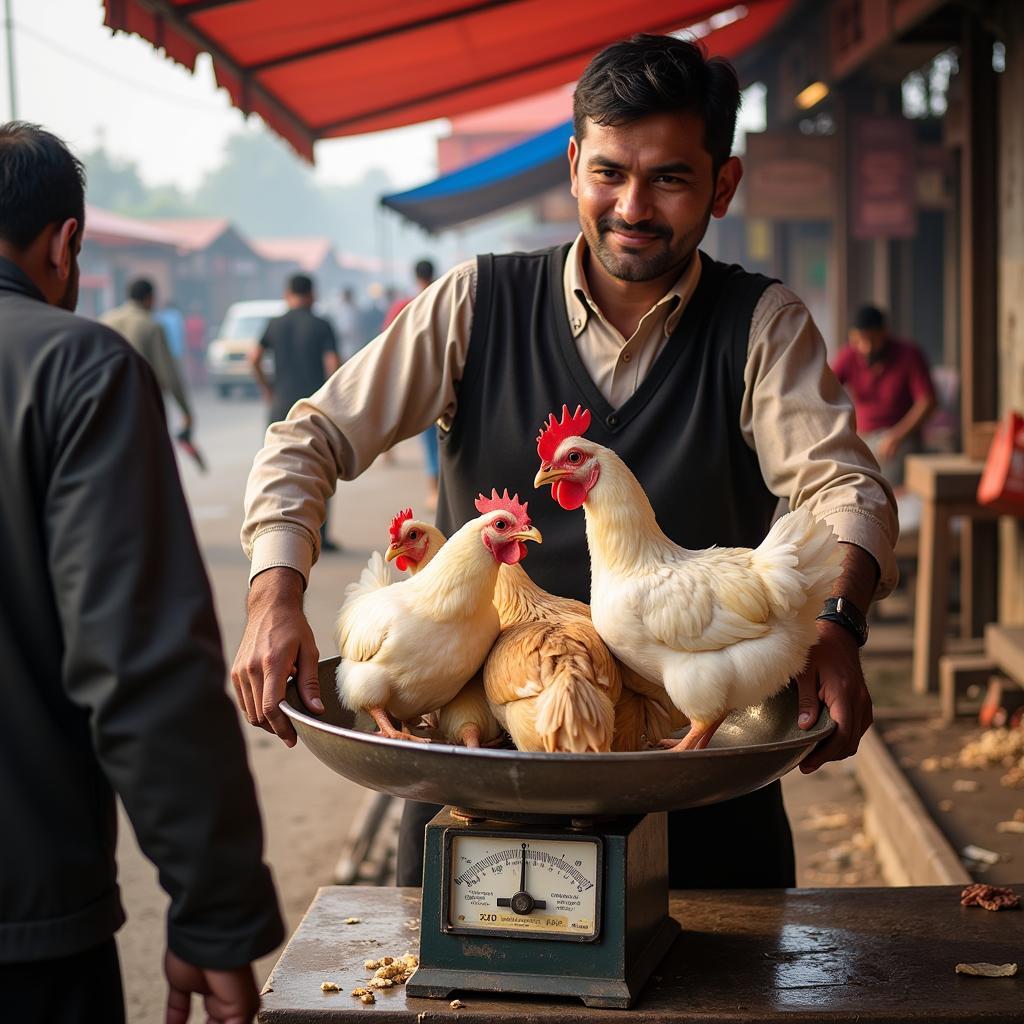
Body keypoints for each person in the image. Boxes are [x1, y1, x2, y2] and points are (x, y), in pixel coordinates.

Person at [233, 35, 898, 892]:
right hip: (478, 783)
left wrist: (837, 622)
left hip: (695, 794)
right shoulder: (475, 303)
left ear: (722, 186)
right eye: (611, 172)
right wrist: (272, 593)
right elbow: (309, 436)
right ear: (574, 165)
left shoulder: (761, 326)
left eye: (670, 177)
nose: (633, 206)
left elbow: (844, 485)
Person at [0, 122, 283, 1023]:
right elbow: (137, 672)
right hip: (25, 935)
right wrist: (216, 917)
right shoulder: (75, 370)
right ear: (67, 243)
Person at [250, 272, 341, 550]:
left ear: (287, 294)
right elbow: (333, 363)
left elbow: (253, 358)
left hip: (280, 407)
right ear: (312, 294)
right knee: (320, 469)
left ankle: (277, 536)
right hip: (313, 408)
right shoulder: (322, 324)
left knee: (278, 470)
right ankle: (319, 536)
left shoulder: (274, 324)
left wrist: (268, 389)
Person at [833, 304, 936, 487]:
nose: (866, 348)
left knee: (883, 486)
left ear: (884, 333)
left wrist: (897, 435)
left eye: (871, 340)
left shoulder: (909, 354)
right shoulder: (848, 355)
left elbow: (927, 402)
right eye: (859, 341)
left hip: (901, 438)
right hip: (862, 438)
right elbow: (826, 391)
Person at [101, 277, 193, 438]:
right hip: (142, 405)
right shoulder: (151, 326)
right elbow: (169, 374)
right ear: (149, 298)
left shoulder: (105, 321)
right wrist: (186, 412)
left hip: (107, 405)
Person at [383, 258, 441, 508]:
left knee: (430, 441)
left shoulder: (405, 306)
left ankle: (433, 491)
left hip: (422, 384)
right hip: (453, 380)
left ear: (415, 276)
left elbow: (390, 343)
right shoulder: (447, 300)